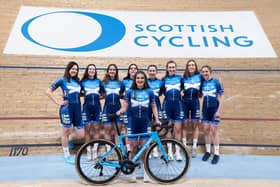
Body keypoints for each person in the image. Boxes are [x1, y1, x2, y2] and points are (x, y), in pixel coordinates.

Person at [116, 71, 160, 182]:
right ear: (135, 80)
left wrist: (157, 119)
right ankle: (132, 173)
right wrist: (119, 111)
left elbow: (154, 107)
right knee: (133, 147)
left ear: (144, 80)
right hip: (132, 122)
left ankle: (146, 172)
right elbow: (125, 107)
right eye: (138, 78)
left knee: (145, 148)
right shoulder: (130, 91)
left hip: (145, 122)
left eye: (142, 78)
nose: (140, 80)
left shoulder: (150, 92)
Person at [46, 61, 84, 165]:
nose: (74, 71)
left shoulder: (78, 81)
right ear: (68, 69)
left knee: (81, 134)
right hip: (67, 109)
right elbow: (48, 91)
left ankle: (70, 139)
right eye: (72, 69)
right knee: (65, 131)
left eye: (76, 69)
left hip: (77, 109)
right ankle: (67, 155)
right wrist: (58, 102)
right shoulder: (62, 80)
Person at [200, 65, 224, 164]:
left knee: (214, 131)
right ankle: (208, 151)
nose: (205, 73)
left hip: (214, 109)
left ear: (210, 72)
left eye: (206, 71)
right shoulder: (202, 83)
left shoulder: (216, 82)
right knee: (206, 130)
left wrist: (218, 111)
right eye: (203, 72)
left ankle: (217, 153)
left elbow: (221, 96)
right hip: (205, 109)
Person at [80, 64, 104, 160]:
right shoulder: (83, 82)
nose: (91, 70)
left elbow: (104, 93)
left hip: (97, 107)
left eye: (93, 69)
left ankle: (95, 150)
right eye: (90, 69)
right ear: (87, 70)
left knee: (97, 128)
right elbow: (79, 92)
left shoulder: (98, 81)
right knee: (87, 129)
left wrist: (100, 97)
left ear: (95, 71)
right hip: (87, 108)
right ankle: (88, 151)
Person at [161, 60, 184, 161]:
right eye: (170, 67)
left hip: (178, 106)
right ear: (167, 69)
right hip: (167, 106)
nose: (171, 69)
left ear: (175, 68)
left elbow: (184, 89)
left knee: (177, 129)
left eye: (173, 67)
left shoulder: (180, 78)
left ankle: (177, 152)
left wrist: (182, 92)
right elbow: (160, 92)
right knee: (168, 129)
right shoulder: (163, 79)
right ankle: (169, 152)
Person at [181, 59, 203, 158]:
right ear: (187, 67)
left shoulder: (200, 77)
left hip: (195, 103)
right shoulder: (184, 77)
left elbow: (205, 86)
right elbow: (181, 89)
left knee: (195, 125)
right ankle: (184, 146)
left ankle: (194, 147)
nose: (191, 66)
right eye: (189, 65)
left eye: (193, 65)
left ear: (195, 67)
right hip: (185, 102)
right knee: (184, 124)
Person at [102, 64, 122, 145]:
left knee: (118, 131)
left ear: (116, 71)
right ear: (108, 71)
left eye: (114, 70)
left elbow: (123, 95)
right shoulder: (103, 83)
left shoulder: (120, 83)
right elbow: (100, 95)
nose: (112, 71)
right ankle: (108, 150)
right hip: (107, 109)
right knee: (107, 131)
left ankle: (118, 150)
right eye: (110, 69)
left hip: (118, 109)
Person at [147, 64, 163, 158]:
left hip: (157, 105)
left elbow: (161, 92)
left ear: (156, 72)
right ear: (148, 72)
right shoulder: (145, 82)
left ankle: (155, 148)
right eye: (150, 70)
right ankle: (149, 148)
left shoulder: (160, 82)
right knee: (148, 127)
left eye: (154, 71)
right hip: (147, 107)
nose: (152, 72)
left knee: (157, 127)